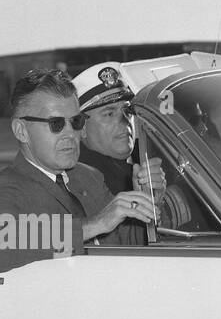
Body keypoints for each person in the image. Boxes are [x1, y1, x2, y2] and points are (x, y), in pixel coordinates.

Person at [0, 68, 156, 273]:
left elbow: (127, 243)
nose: (70, 133)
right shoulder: (7, 187)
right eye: (56, 123)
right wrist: (94, 225)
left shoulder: (89, 177)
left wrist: (145, 200)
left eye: (76, 121)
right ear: (21, 131)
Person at [70, 61, 167, 245]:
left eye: (127, 110)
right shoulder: (80, 180)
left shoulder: (137, 163)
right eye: (109, 114)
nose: (124, 120)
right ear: (81, 127)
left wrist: (155, 200)